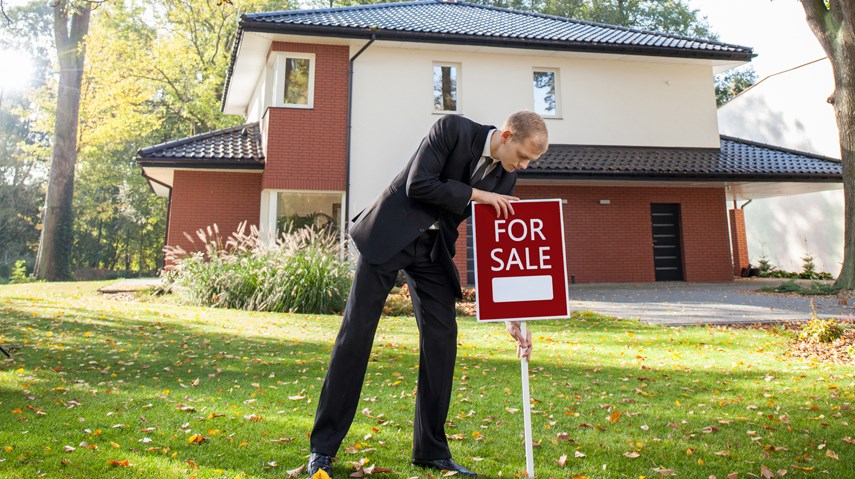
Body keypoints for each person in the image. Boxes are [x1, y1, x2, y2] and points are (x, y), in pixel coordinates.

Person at [307, 111, 549, 478]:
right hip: (388, 235)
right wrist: (476, 193)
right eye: (525, 155)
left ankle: (431, 450)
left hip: (434, 249)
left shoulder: (506, 176)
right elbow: (418, 184)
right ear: (506, 135)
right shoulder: (452, 129)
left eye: (532, 161)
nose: (526, 166)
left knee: (442, 338)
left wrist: (509, 312)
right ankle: (322, 448)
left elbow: (493, 246)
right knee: (355, 336)